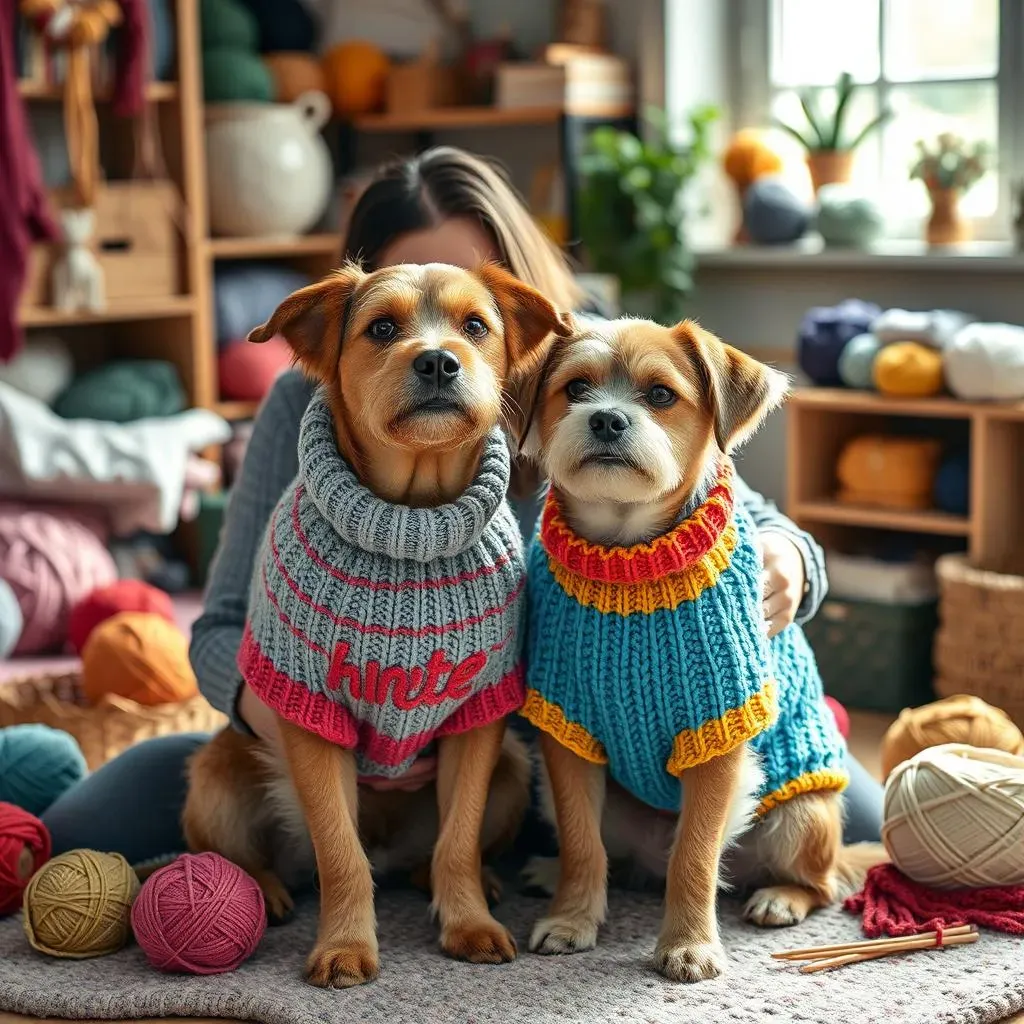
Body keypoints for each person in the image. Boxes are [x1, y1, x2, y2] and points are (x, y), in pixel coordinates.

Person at [41, 147, 883, 866]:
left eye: (473, 314)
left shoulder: (581, 372)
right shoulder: (306, 408)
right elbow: (221, 626)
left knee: (861, 816)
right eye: (400, 318)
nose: (438, 349)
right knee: (84, 824)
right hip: (325, 742)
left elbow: (729, 497)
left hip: (539, 749)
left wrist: (789, 560)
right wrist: (301, 720)